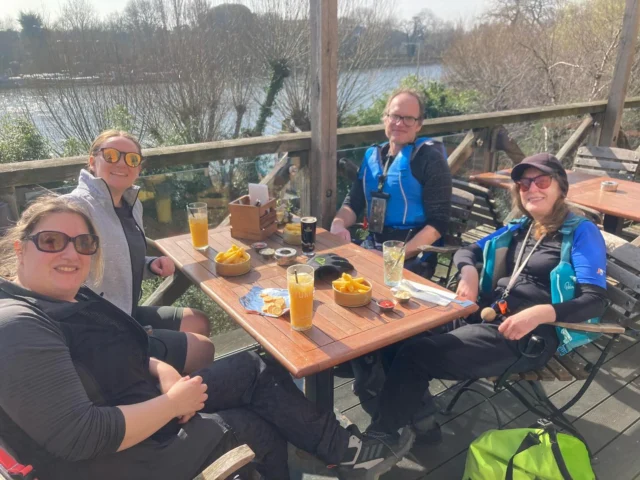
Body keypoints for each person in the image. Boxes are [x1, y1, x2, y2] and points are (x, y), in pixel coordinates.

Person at [0, 196, 415, 480]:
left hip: (148, 404)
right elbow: (81, 435)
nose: (71, 254)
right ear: (20, 249)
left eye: (83, 242)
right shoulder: (18, 325)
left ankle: (342, 451)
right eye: (51, 242)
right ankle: (326, 449)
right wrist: (169, 406)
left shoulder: (67, 297)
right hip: (129, 457)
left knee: (255, 366)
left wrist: (165, 374)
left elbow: (126, 354)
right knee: (259, 426)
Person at [369, 153, 609, 443]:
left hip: (527, 337)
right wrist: (468, 273)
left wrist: (539, 313)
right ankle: (421, 421)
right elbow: (466, 250)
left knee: (415, 355)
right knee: (396, 335)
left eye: (542, 181)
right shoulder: (521, 227)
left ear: (561, 187)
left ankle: (379, 439)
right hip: (486, 314)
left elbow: (595, 300)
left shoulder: (581, 232)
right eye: (524, 184)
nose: (532, 188)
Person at [64, 130, 213, 374]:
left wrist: (150, 264)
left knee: (199, 321)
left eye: (132, 159)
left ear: (139, 168)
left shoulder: (132, 204)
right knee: (203, 348)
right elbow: (61, 280)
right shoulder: (76, 207)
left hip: (127, 312)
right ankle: (167, 401)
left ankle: (166, 389)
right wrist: (126, 330)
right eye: (111, 155)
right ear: (92, 162)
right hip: (99, 330)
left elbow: (115, 258)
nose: (122, 163)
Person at [330, 88, 452, 280]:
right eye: (395, 116)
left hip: (412, 257)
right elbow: (353, 203)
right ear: (385, 118)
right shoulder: (373, 155)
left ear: (419, 124)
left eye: (408, 118)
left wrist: (396, 256)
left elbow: (438, 224)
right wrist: (338, 224)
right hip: (372, 246)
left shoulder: (430, 159)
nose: (399, 123)